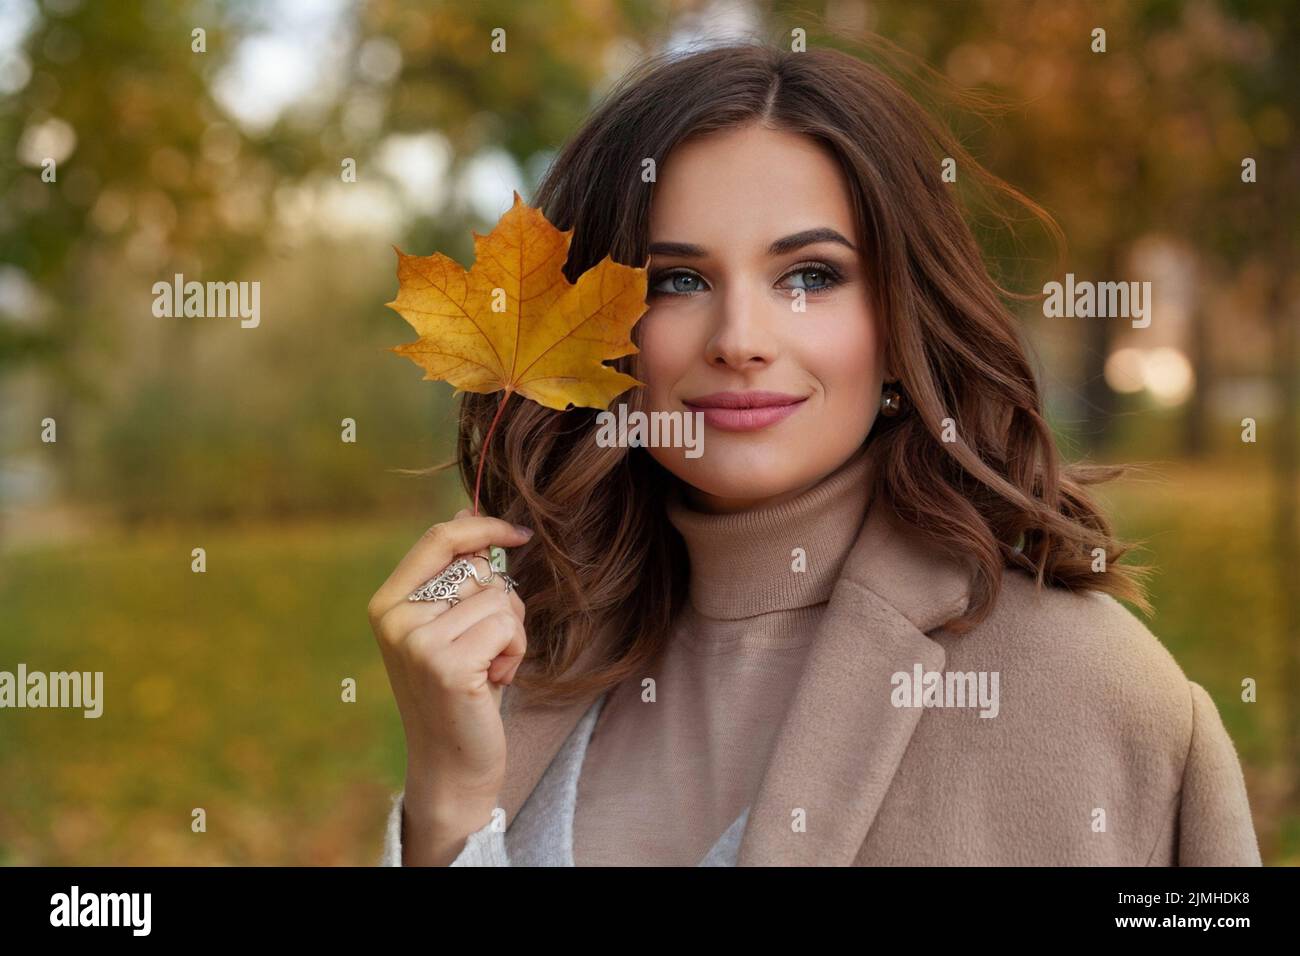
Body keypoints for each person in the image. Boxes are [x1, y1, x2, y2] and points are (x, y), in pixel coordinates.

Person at [367, 41, 1261, 866]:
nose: (742, 339)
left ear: (902, 315)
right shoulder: (523, 666)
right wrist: (446, 808)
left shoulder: (1095, 694)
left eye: (810, 276)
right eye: (678, 279)